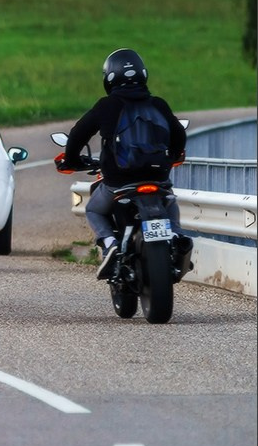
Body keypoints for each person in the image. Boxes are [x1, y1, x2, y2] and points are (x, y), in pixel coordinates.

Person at [60, 48, 188, 279]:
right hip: (157, 177)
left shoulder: (106, 105)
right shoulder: (158, 104)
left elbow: (78, 134)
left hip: (119, 181)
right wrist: (174, 156)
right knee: (169, 200)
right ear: (143, 74)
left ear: (109, 78)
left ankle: (111, 244)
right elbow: (179, 133)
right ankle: (176, 236)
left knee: (93, 209)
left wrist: (71, 160)